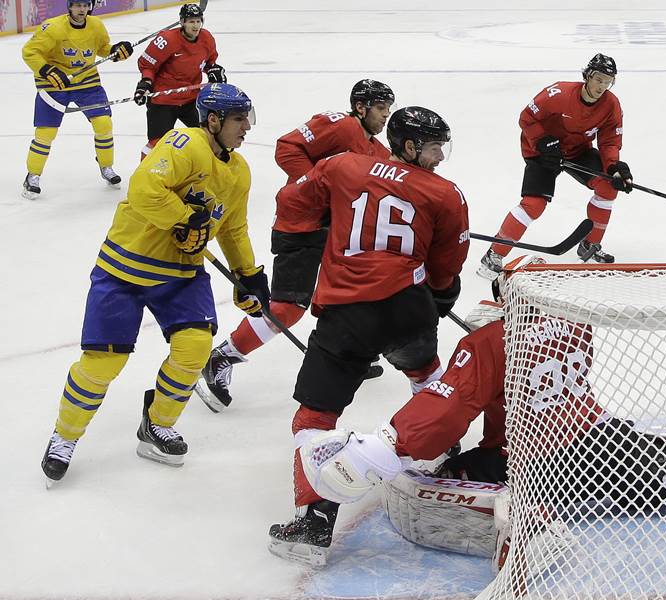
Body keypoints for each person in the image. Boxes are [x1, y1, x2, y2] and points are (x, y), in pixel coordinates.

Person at [281, 268, 666, 566]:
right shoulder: (573, 325)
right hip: (592, 445)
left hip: (541, 468)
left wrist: (386, 443)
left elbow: (443, 414)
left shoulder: (488, 344)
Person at [265, 106, 469, 565]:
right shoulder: (447, 194)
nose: (439, 157)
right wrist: (436, 297)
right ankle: (442, 445)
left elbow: (292, 201)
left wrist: (306, 233)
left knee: (312, 421)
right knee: (424, 369)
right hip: (407, 308)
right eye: (434, 147)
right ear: (411, 145)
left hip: (348, 315)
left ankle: (312, 527)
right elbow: (446, 268)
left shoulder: (342, 166)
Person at [39, 83, 269, 484]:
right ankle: (65, 436)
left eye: (247, 117)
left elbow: (233, 228)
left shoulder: (238, 171)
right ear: (212, 121)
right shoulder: (185, 143)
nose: (246, 126)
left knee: (195, 348)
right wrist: (184, 219)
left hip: (180, 275)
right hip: (124, 270)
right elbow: (144, 188)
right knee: (102, 364)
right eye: (238, 119)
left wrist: (247, 275)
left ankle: (157, 424)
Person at [197, 80, 395, 412]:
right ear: (361, 107)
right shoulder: (340, 124)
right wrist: (315, 189)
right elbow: (287, 147)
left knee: (352, 293)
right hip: (300, 225)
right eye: (380, 108)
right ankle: (221, 357)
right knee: (287, 309)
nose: (386, 115)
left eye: (388, 108)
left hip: (337, 233)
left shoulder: (377, 151)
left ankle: (347, 354)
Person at [477, 53, 632, 279]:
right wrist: (541, 141)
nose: (602, 86)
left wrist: (614, 168)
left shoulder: (611, 105)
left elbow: (609, 141)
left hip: (578, 151)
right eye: (598, 79)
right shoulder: (558, 93)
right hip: (542, 153)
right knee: (534, 204)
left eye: (608, 81)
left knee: (609, 186)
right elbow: (526, 117)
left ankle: (590, 245)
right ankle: (494, 254)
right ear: (587, 76)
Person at [20, 0, 134, 199]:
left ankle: (106, 167)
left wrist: (116, 51)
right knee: (46, 133)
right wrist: (47, 70)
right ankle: (32, 175)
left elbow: (102, 48)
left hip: (87, 82)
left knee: (104, 124)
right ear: (69, 7)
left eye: (85, 5)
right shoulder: (53, 27)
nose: (82, 9)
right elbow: (30, 52)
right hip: (55, 84)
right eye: (77, 5)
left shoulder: (96, 25)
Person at [133, 3, 225, 161]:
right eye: (191, 21)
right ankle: (144, 176)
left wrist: (213, 71)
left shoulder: (207, 38)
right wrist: (145, 84)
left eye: (198, 21)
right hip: (164, 99)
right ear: (182, 22)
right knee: (157, 144)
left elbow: (209, 62)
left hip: (191, 99)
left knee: (210, 137)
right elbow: (147, 64)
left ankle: (210, 175)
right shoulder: (166, 39)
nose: (196, 25)